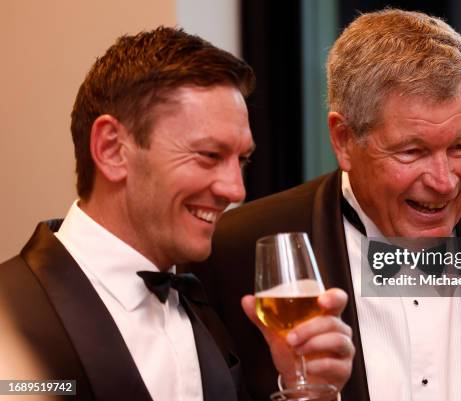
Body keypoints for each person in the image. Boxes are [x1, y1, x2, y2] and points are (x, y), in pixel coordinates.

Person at [197, 9, 461, 401]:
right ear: (343, 140)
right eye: (412, 151)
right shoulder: (238, 251)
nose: (443, 182)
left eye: (460, 146)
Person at [0, 27, 354, 401]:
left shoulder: (206, 305)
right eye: (208, 155)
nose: (236, 190)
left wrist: (306, 390)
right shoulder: (10, 315)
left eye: (242, 160)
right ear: (111, 149)